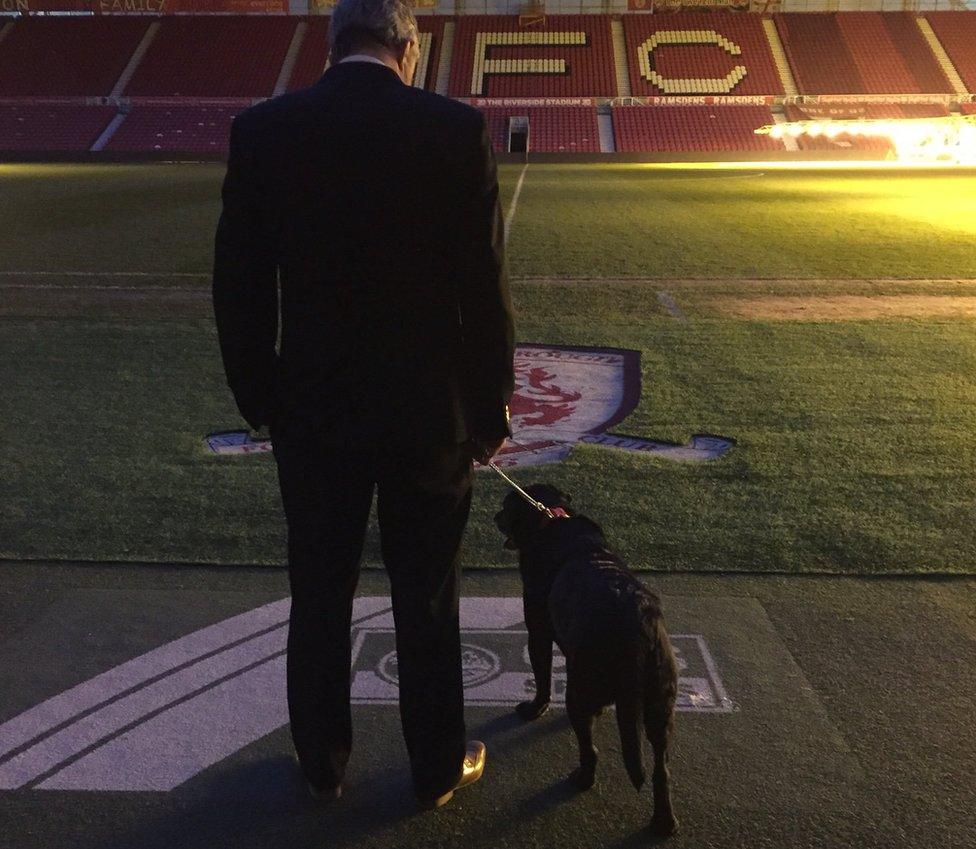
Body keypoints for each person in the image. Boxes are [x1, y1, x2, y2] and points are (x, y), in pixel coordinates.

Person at [211, 0, 514, 811]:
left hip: (313, 409)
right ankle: (437, 764)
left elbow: (238, 285)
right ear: (408, 47)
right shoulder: (455, 130)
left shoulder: (266, 130)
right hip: (427, 412)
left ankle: (322, 761)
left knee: (318, 586)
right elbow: (483, 289)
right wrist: (489, 409)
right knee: (426, 592)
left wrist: (262, 394)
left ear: (332, 42)